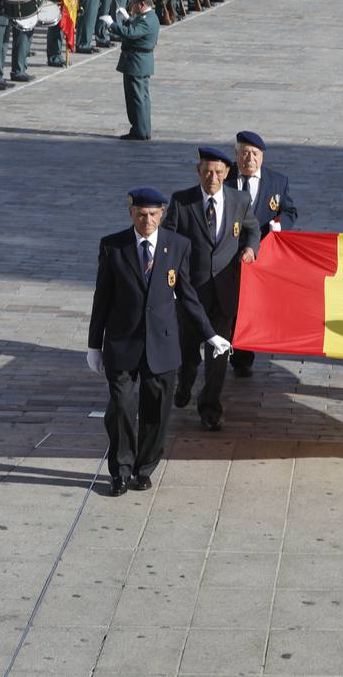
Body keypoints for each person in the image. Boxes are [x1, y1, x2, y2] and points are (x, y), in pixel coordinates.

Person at [87, 187, 230, 496]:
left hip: (162, 344)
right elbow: (102, 298)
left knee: (156, 410)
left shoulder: (178, 246)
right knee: (122, 407)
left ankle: (144, 467)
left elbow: (188, 296)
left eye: (153, 214)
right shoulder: (113, 247)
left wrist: (210, 334)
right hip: (122, 343)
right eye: (141, 214)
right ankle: (120, 471)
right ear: (131, 214)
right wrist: (93, 345)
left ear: (163, 214)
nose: (147, 220)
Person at [163, 147, 261, 431]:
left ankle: (210, 407)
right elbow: (168, 239)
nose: (212, 178)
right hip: (192, 294)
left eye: (218, 172)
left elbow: (252, 229)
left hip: (224, 293)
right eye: (207, 172)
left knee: (218, 353)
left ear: (227, 173)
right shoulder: (183, 202)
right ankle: (186, 381)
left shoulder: (239, 200)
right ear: (198, 172)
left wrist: (251, 249)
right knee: (188, 351)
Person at [224, 130, 298, 377]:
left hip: (260, 254)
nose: (249, 159)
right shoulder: (224, 177)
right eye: (244, 153)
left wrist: (280, 225)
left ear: (262, 157)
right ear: (236, 155)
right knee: (229, 303)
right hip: (227, 253)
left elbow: (290, 211)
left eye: (254, 154)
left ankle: (243, 357)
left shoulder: (277, 182)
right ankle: (225, 347)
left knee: (251, 305)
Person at [108, 0, 159, 141]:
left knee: (137, 99)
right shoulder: (147, 16)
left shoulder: (146, 19)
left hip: (137, 62)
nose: (132, 6)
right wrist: (127, 19)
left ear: (142, 4)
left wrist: (113, 25)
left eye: (134, 3)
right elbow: (135, 27)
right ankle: (141, 129)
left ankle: (140, 131)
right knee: (140, 98)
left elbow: (132, 33)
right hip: (137, 61)